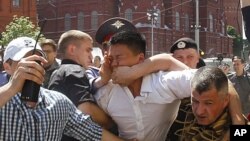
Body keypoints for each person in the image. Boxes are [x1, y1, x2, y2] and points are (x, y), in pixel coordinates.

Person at [105, 31, 244, 140]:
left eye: (208, 103)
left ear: (198, 59)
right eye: (179, 59)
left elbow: (221, 79)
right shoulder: (171, 88)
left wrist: (238, 122)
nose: (200, 110)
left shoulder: (217, 93)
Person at [0, 36, 130, 141]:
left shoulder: (58, 102)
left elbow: (92, 133)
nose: (32, 66)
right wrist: (12, 88)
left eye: (37, 60)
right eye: (24, 62)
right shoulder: (4, 102)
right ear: (7, 67)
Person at [47, 30, 114, 141]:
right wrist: (113, 125)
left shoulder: (58, 72)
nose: (91, 56)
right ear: (72, 50)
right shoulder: (74, 70)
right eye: (88, 50)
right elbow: (86, 108)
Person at [178, 66, 234, 141]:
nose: (199, 112)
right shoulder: (182, 112)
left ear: (225, 100)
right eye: (195, 101)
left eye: (208, 103)